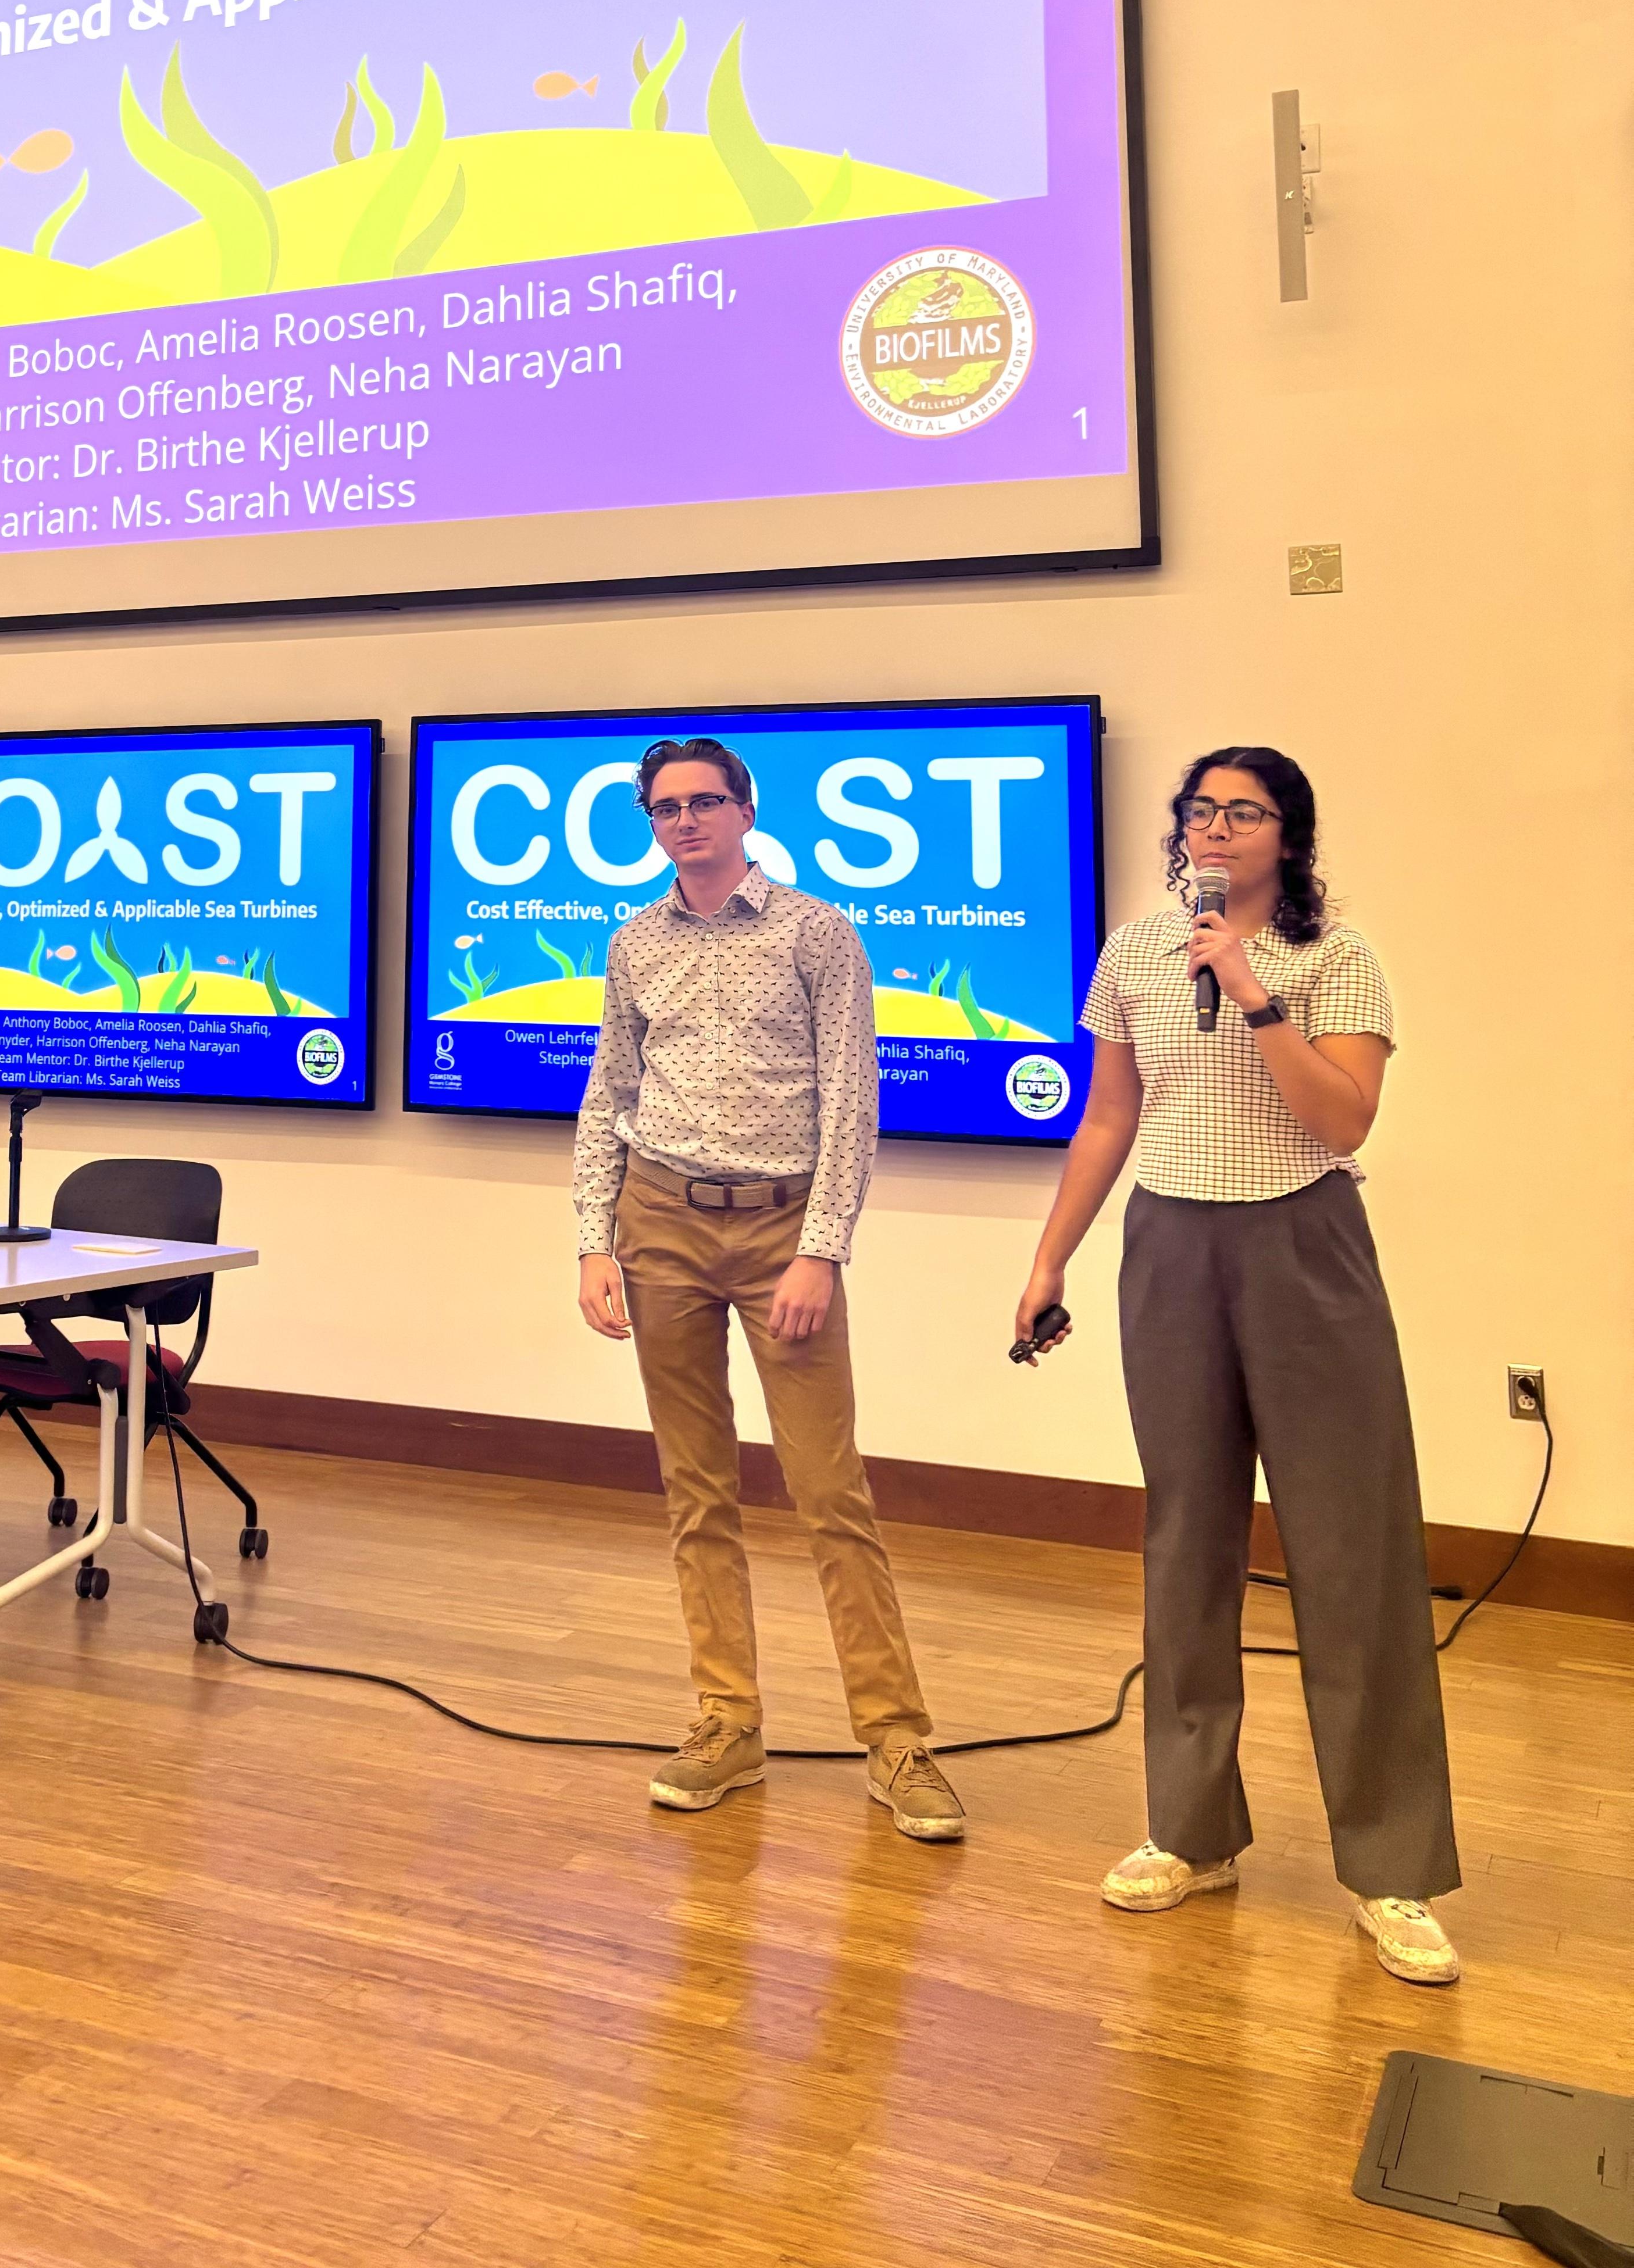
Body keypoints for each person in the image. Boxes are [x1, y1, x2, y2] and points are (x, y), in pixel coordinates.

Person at [1014, 747, 1462, 1985]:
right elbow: (1108, 1115)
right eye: (1202, 810)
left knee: (1350, 1549)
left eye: (1245, 812)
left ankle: (1391, 1867)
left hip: (1303, 1242)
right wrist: (1051, 1259)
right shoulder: (1134, 953)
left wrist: (1253, 990)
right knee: (1186, 1539)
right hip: (1168, 1244)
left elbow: (1344, 1119)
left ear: (1288, 835)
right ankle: (1191, 1830)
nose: (1218, 829)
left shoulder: (1337, 961)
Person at [576, 738, 965, 1835]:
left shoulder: (816, 931)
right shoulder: (634, 943)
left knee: (829, 1490)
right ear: (650, 825)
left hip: (783, 1227)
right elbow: (611, 1095)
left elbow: (852, 1098)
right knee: (695, 1490)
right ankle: (727, 1722)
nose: (687, 821)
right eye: (666, 808)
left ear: (746, 812)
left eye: (707, 802)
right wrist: (594, 1241)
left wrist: (822, 1248)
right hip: (659, 1224)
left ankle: (896, 1743)